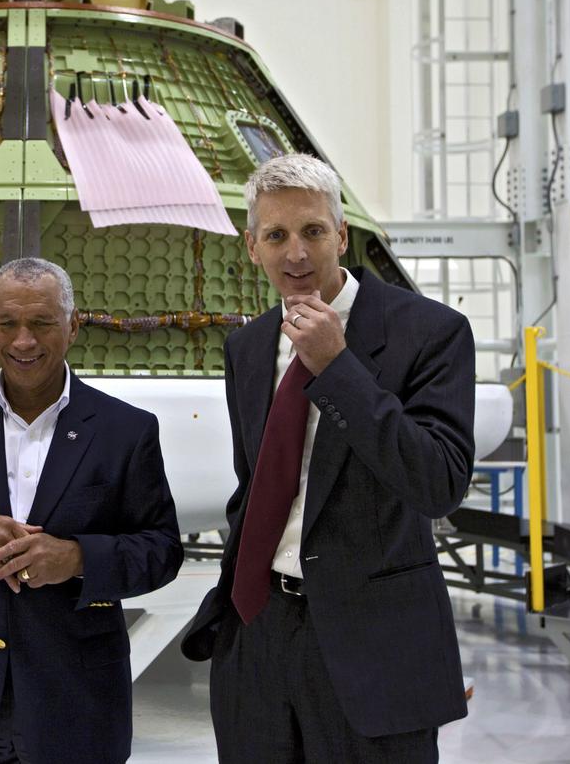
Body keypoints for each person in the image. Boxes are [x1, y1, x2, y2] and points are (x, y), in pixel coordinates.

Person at [182, 153, 474, 763]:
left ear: (341, 235)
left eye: (314, 231)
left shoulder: (431, 332)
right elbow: (256, 486)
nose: (297, 254)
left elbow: (439, 482)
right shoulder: (249, 346)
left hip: (374, 646)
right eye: (277, 236)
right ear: (252, 248)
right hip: (259, 636)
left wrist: (339, 368)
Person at [0, 257, 183, 764]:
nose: (24, 341)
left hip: (77, 701)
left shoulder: (125, 430)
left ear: (73, 325)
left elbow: (161, 550)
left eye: (42, 323)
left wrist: (76, 558)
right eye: (8, 324)